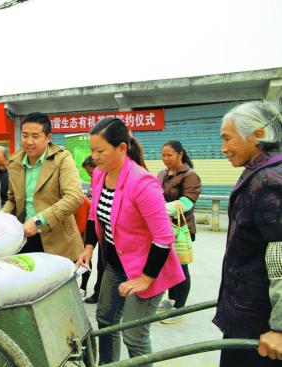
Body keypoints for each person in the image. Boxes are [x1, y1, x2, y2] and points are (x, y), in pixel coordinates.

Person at [77, 117, 185, 366]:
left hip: (148, 268)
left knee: (134, 335)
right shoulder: (99, 176)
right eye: (92, 150)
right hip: (115, 262)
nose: (95, 156)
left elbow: (163, 237)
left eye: (100, 151)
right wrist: (89, 247)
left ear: (122, 148)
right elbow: (95, 215)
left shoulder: (142, 182)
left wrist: (145, 278)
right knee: (105, 321)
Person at [213, 101, 282, 366]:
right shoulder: (258, 173)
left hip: (262, 331)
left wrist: (279, 328)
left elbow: (280, 257)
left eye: (228, 139)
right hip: (248, 315)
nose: (223, 148)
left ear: (258, 134)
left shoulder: (269, 181)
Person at [2, 112, 84, 261]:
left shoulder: (62, 159)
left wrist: (38, 220)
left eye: (35, 136)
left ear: (48, 138)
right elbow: (13, 200)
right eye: (25, 135)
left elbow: (74, 198)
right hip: (25, 237)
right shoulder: (14, 162)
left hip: (58, 241)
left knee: (57, 283)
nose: (29, 141)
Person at [156, 140, 202, 323]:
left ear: (180, 154)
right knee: (168, 266)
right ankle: (171, 300)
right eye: (163, 155)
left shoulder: (190, 176)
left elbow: (187, 203)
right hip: (163, 227)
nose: (165, 159)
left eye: (169, 155)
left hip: (181, 228)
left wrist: (157, 210)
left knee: (181, 267)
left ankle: (179, 309)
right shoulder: (161, 174)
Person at [79, 155, 105, 303]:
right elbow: (92, 215)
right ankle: (98, 293)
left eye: (91, 174)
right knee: (101, 264)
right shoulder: (95, 186)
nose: (90, 178)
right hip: (98, 229)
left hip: (111, 234)